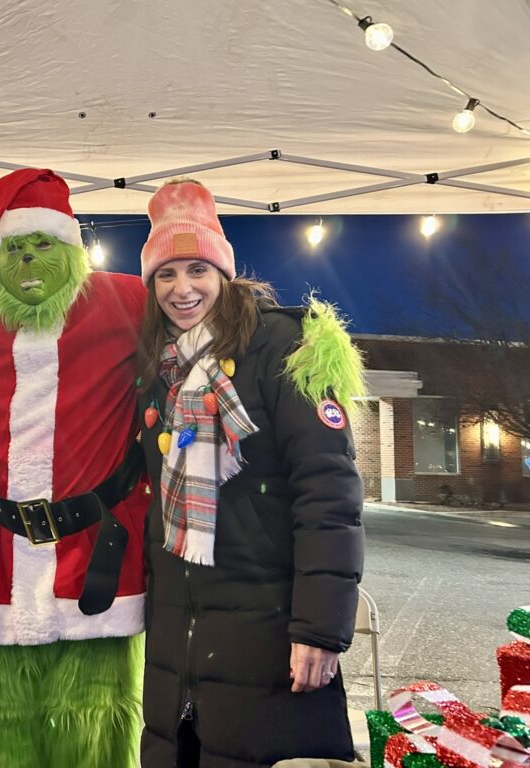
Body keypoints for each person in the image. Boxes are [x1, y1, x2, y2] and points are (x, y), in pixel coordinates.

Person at [135, 178, 366, 767]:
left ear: (224, 273)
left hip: (268, 637)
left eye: (196, 270)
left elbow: (329, 495)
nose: (182, 289)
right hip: (179, 641)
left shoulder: (282, 348)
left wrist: (319, 628)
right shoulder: (162, 369)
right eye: (166, 274)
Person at [0, 168, 150, 768]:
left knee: (90, 730)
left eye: (43, 245)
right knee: (1, 724)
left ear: (71, 250)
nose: (31, 258)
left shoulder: (123, 301)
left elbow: (207, 313)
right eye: (17, 247)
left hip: (97, 560)